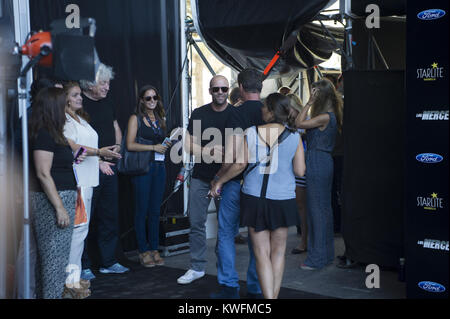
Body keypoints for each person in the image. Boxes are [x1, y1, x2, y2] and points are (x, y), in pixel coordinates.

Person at [211, 93, 306, 299]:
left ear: (272, 111)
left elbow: (239, 165)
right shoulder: (295, 136)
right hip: (283, 198)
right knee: (278, 253)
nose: (261, 110)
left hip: (254, 198)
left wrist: (219, 181)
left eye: (264, 107)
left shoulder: (251, 132)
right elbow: (300, 171)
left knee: (261, 254)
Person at [209, 68, 264, 299]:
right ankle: (256, 286)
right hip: (262, 183)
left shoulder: (237, 113)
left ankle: (230, 287)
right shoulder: (271, 111)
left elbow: (233, 157)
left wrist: (218, 179)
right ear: (260, 86)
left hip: (235, 181)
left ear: (240, 87)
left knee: (226, 233)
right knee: (257, 237)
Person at [63, 82, 121, 297]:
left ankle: (74, 280)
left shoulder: (81, 118)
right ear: (66, 98)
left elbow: (81, 153)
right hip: (77, 183)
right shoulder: (66, 121)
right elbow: (73, 151)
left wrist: (98, 158)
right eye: (76, 95)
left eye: (80, 95)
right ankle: (70, 282)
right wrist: (99, 152)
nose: (80, 98)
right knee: (77, 233)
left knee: (82, 231)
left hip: (89, 181)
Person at [177, 75, 232, 285]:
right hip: (200, 177)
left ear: (228, 90)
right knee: (196, 223)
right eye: (216, 89)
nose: (220, 92)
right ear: (210, 91)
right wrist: (209, 151)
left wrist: (225, 152)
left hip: (226, 179)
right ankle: (197, 267)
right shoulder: (199, 113)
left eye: (223, 88)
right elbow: (188, 146)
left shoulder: (234, 114)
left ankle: (224, 270)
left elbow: (240, 148)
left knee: (226, 228)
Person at [14, 77, 63, 299]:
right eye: (58, 94)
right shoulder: (32, 119)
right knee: (32, 248)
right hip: (34, 190)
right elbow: (17, 156)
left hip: (40, 189)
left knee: (34, 249)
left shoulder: (46, 118)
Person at [79, 64, 129, 279]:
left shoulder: (108, 101)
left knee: (109, 216)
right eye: (103, 83)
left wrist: (117, 147)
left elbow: (115, 125)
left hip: (110, 167)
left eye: (108, 83)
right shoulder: (78, 104)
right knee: (85, 220)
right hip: (88, 169)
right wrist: (99, 159)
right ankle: (84, 265)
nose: (107, 87)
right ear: (90, 84)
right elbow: (77, 140)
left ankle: (108, 262)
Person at [28, 87, 77, 298]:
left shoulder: (54, 132)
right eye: (63, 105)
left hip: (62, 196)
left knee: (52, 262)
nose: (67, 109)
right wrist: (59, 208)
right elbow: (43, 173)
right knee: (53, 262)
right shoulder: (45, 133)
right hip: (53, 201)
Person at [295, 78, 343, 270]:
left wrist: (307, 103)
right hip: (323, 161)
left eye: (314, 92)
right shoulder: (331, 116)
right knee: (324, 210)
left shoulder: (324, 116)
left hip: (317, 161)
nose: (312, 95)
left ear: (320, 96)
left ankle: (316, 259)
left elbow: (299, 123)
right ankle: (325, 255)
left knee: (316, 210)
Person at [126, 85, 170, 268]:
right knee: (141, 211)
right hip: (143, 168)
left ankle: (154, 249)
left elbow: (160, 142)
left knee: (154, 211)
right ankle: (142, 250)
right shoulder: (135, 118)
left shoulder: (160, 118)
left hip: (160, 167)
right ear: (141, 101)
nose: (152, 101)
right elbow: (130, 145)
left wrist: (166, 143)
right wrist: (153, 147)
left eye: (155, 97)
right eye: (148, 98)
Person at [286, 94, 308, 254]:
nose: (287, 111)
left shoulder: (304, 120)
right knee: (299, 205)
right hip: (291, 167)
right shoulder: (288, 122)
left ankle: (304, 241)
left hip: (301, 167)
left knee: (302, 205)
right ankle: (304, 238)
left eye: (289, 108)